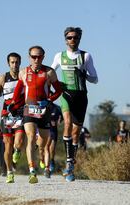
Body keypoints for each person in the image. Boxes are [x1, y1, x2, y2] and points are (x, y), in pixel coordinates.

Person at [51, 27, 98, 182]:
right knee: (67, 124)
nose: (73, 40)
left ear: (79, 39)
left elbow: (95, 79)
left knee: (76, 133)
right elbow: (50, 73)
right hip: (66, 95)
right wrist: (54, 85)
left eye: (76, 37)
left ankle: (71, 163)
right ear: (65, 40)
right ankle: (69, 161)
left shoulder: (86, 56)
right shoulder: (59, 56)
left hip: (81, 96)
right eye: (70, 37)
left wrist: (84, 75)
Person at [11, 46, 62, 184]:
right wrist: (13, 103)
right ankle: (32, 171)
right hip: (29, 109)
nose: (36, 59)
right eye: (33, 57)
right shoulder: (23, 72)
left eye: (39, 57)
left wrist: (49, 100)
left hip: (44, 110)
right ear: (29, 57)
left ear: (43, 57)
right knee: (31, 136)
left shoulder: (49, 72)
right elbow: (18, 90)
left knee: (44, 142)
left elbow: (58, 90)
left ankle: (40, 156)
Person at [0, 52, 25, 183]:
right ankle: (9, 172)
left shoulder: (23, 76)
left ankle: (18, 150)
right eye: (12, 62)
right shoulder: (3, 78)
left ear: (20, 63)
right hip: (7, 114)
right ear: (8, 63)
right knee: (7, 146)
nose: (14, 65)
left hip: (20, 113)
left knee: (18, 142)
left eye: (17, 62)